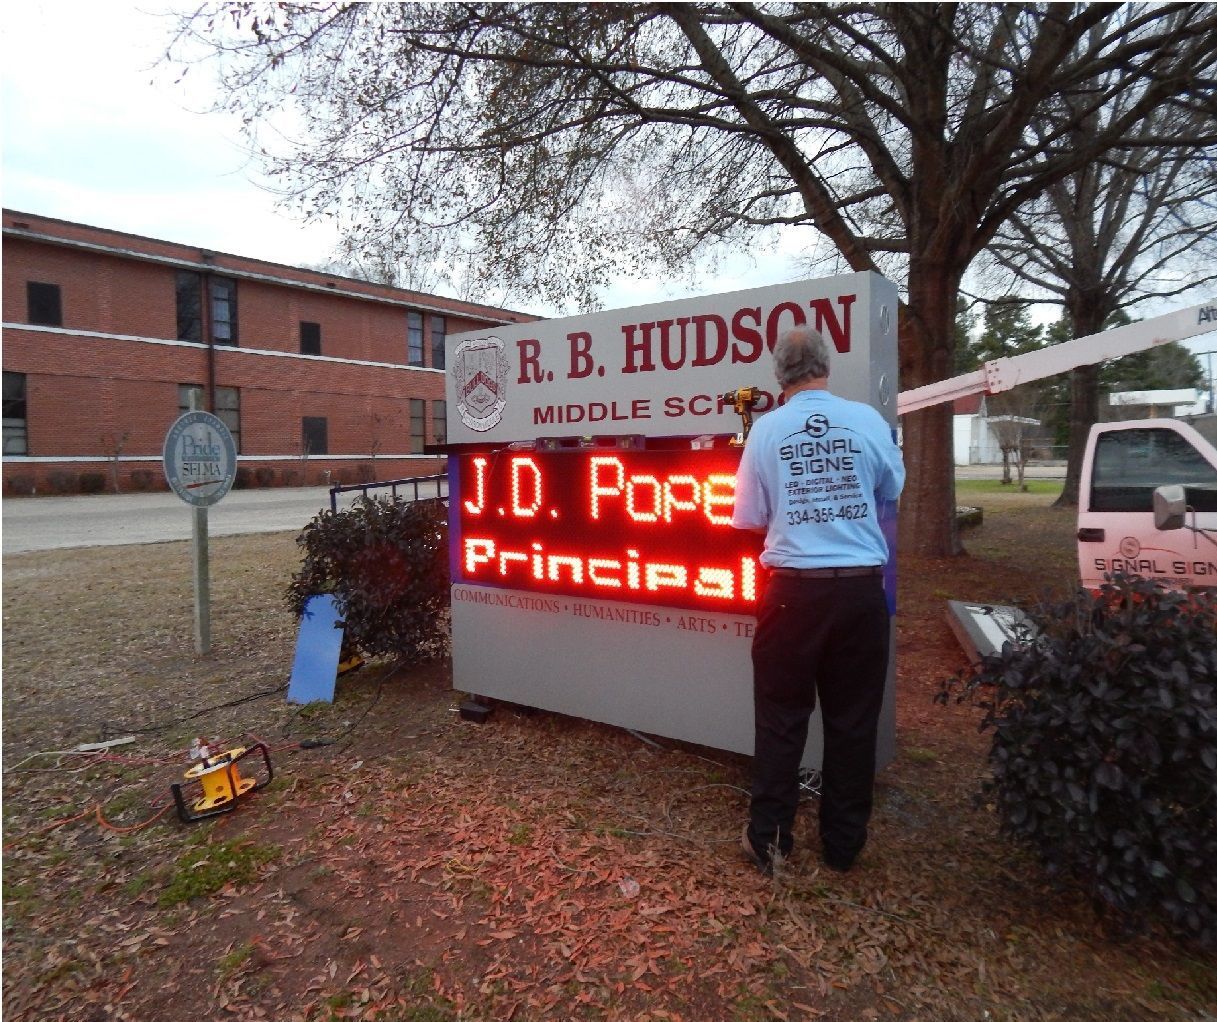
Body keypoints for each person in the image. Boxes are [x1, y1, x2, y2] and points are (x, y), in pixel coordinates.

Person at [732, 325, 905, 875]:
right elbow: (890, 490)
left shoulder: (766, 431)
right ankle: (843, 845)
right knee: (854, 722)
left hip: (791, 596)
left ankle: (770, 841)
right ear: (827, 367)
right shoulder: (869, 422)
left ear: (778, 375)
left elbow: (749, 519)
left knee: (782, 718)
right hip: (859, 592)